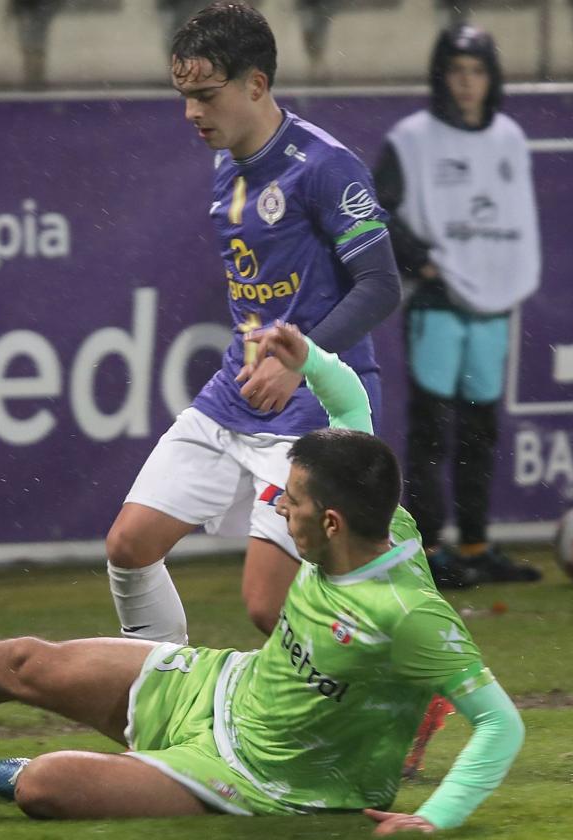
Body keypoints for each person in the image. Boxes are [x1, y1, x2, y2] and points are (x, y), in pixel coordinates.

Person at [0, 324, 524, 834]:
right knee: (27, 661)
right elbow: (350, 399)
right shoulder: (372, 511)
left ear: (330, 525)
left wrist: (437, 818)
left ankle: (108, 775)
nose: (276, 511)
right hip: (219, 687)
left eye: (288, 503)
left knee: (41, 790)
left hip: (255, 780)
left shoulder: (407, 612)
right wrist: (305, 356)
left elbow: (500, 724)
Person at [108, 1, 401, 644]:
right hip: (237, 393)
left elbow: (381, 285)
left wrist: (302, 362)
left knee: (268, 608)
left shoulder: (326, 167)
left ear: (256, 85)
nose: (192, 112)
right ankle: (166, 698)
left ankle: (368, 704)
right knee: (129, 546)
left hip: (314, 403)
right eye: (184, 96)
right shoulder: (226, 162)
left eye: (205, 95)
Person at [371, 23, 542, 589]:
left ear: (491, 79)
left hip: (492, 307)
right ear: (441, 76)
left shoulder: (510, 139)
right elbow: (373, 210)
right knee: (432, 433)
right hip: (437, 304)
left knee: (480, 432)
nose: (467, 84)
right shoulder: (412, 139)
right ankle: (427, 552)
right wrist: (419, 258)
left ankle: (475, 544)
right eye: (457, 71)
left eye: (478, 71)